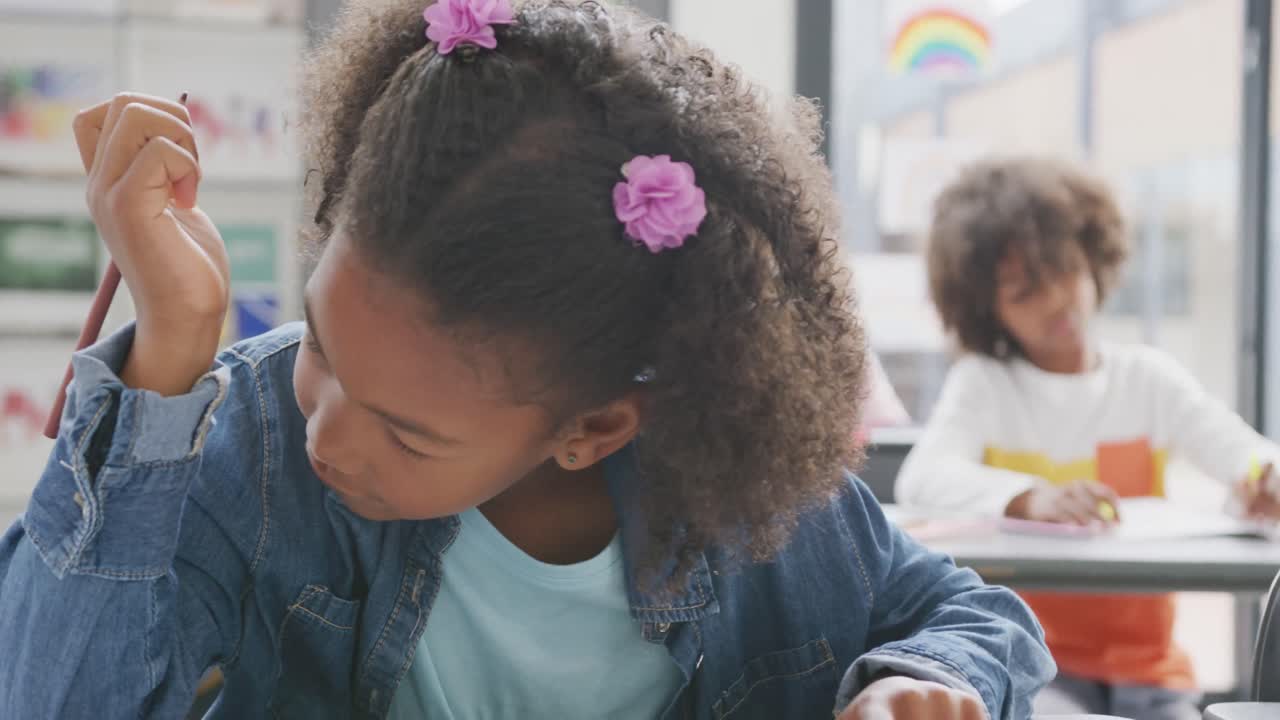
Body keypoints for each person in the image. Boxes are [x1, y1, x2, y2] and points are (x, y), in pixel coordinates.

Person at [0, 2, 1053, 717]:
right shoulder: (256, 430)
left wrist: (919, 678)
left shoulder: (749, 503)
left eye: (408, 429)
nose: (324, 430)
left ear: (591, 427)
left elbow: (968, 617)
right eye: (323, 343)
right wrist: (168, 363)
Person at [896, 156, 1280, 720]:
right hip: (1037, 665)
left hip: (1149, 672)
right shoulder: (985, 384)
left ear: (1094, 259)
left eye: (1064, 271)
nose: (1056, 301)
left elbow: (1241, 452)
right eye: (1024, 292)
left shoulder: (1147, 379)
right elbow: (923, 476)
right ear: (987, 311)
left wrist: (1261, 478)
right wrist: (1029, 496)